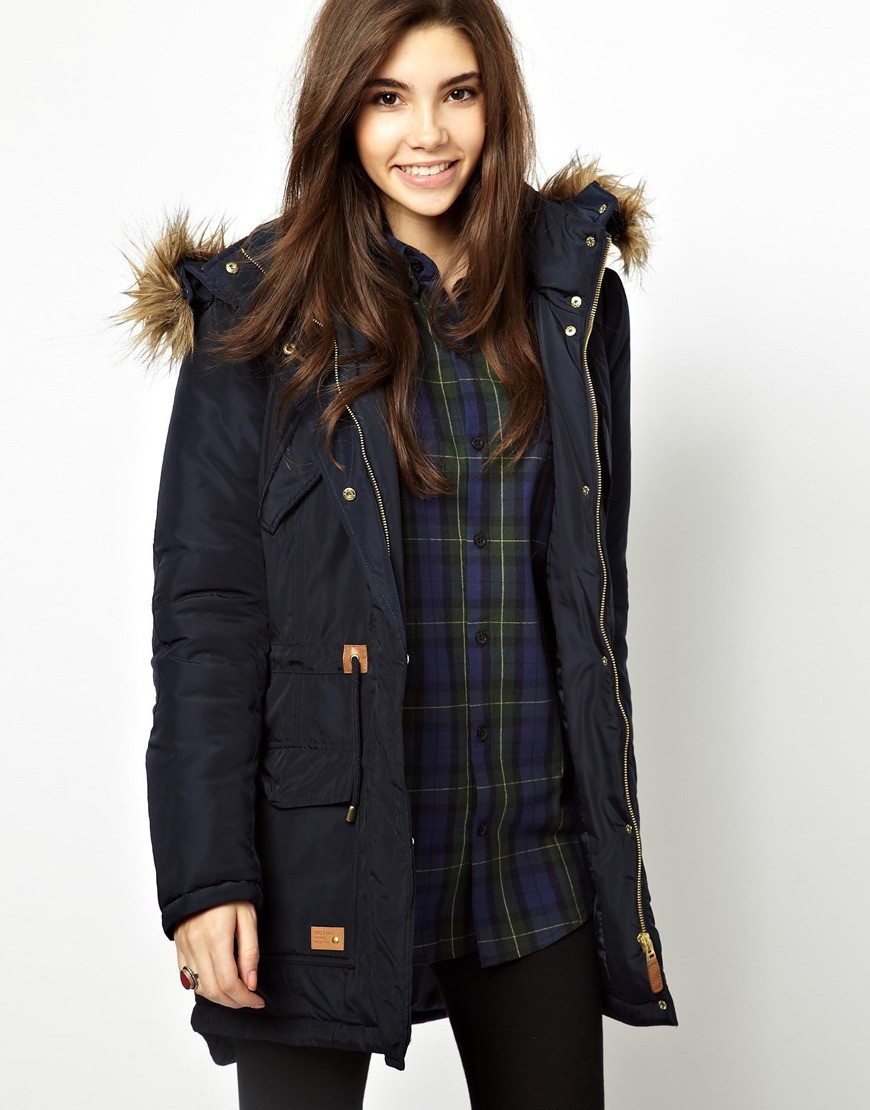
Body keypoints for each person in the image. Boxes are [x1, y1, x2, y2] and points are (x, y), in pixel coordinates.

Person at [116, 0, 677, 1106]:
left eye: (458, 93)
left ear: (496, 102)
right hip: (322, 854)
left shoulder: (571, 300)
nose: (428, 133)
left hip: (530, 859)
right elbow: (208, 618)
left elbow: (589, 597)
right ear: (340, 112)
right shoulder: (259, 316)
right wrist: (207, 876)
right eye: (388, 98)